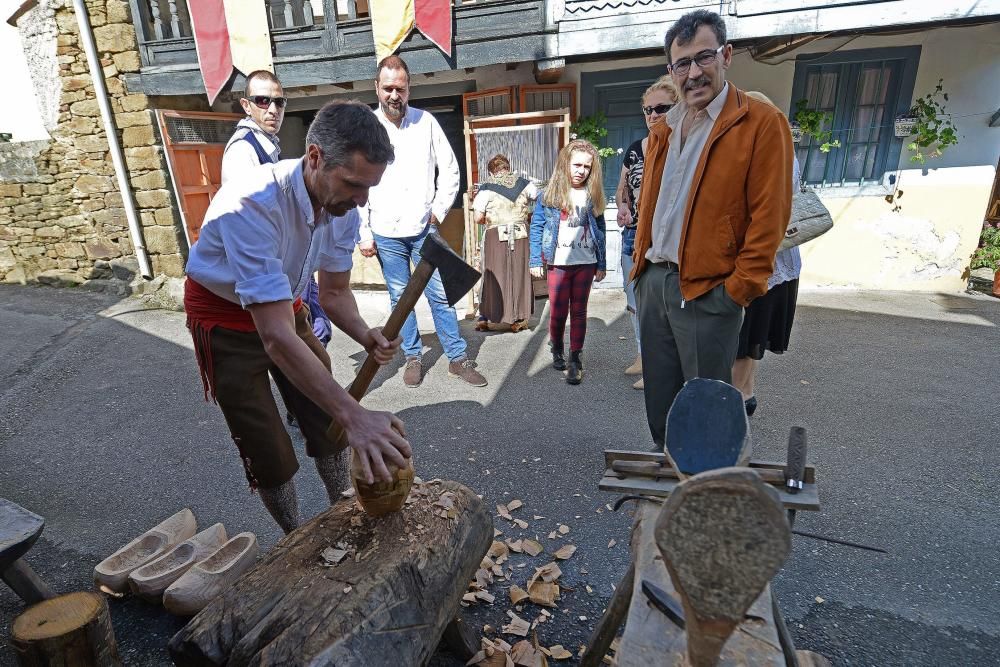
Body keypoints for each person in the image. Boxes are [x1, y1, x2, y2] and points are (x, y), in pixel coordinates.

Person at [184, 101, 412, 534]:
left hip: (286, 305)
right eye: (353, 184)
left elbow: (335, 291)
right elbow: (275, 338)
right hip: (225, 320)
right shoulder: (250, 203)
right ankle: (295, 534)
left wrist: (366, 334)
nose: (363, 199)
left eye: (369, 187)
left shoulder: (343, 204)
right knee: (268, 446)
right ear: (315, 158)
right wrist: (355, 414)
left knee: (325, 422)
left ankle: (343, 507)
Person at [630, 9, 793, 449]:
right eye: (682, 63)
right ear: (671, 70)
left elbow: (770, 218)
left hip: (708, 289)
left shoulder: (760, 123)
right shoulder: (665, 129)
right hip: (654, 281)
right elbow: (653, 206)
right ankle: (669, 486)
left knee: (703, 407)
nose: (694, 72)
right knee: (661, 404)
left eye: (704, 57)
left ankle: (704, 494)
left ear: (727, 54)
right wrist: (639, 272)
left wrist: (737, 290)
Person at [358, 55, 487, 389]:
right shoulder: (366, 128)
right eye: (387, 88)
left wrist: (439, 209)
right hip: (385, 231)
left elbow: (450, 170)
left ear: (409, 88)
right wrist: (363, 232)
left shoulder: (426, 122)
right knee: (400, 300)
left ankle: (457, 359)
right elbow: (357, 180)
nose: (393, 95)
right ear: (377, 88)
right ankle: (413, 356)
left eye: (399, 88)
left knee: (440, 296)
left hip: (422, 229)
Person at [221, 70, 333, 353]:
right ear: (246, 105)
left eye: (279, 102)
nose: (272, 109)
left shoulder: (267, 145)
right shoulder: (243, 152)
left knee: (315, 342)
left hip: (285, 266)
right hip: (269, 272)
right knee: (302, 350)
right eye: (262, 101)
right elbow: (246, 225)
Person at [732, 91, 803, 417]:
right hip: (780, 264)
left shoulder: (767, 153)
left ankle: (733, 404)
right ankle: (746, 393)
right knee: (752, 341)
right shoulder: (785, 150)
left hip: (763, 264)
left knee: (742, 342)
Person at [614, 75, 678, 391]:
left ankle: (659, 368)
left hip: (667, 241)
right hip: (634, 236)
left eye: (661, 108)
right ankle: (643, 356)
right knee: (635, 303)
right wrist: (623, 207)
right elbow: (622, 189)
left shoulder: (684, 149)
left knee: (662, 308)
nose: (652, 116)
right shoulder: (637, 150)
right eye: (647, 110)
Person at [530, 139, 607, 385]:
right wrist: (535, 259)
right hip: (558, 263)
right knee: (558, 311)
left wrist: (602, 263)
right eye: (576, 165)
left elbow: (600, 228)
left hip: (585, 262)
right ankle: (557, 347)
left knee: (580, 311)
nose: (580, 171)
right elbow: (537, 226)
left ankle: (575, 358)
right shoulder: (549, 194)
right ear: (565, 164)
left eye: (586, 166)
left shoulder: (593, 194)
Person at [472, 154, 539, 333]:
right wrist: (528, 216)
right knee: (520, 274)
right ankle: (519, 318)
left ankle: (485, 317)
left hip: (496, 236)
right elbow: (540, 200)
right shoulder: (525, 183)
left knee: (493, 274)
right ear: (508, 167)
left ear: (492, 171)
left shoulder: (486, 188)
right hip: (521, 234)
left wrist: (493, 219)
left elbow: (477, 217)